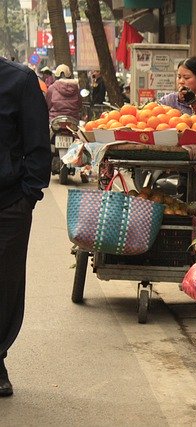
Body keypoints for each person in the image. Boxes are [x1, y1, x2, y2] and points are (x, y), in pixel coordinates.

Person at [0, 57, 51, 397]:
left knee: (5, 286)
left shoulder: (18, 80)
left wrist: (28, 197)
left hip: (8, 204)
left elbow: (37, 143)